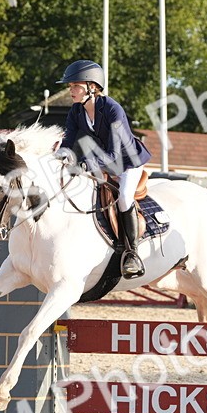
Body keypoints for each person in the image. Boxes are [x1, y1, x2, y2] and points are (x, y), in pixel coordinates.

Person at [56, 59, 152, 279]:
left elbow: (115, 156)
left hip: (128, 162)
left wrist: (85, 164)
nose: (71, 90)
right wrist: (58, 158)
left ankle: (132, 254)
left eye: (75, 86)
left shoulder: (112, 109)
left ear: (92, 86)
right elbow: (68, 143)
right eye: (70, 86)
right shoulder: (76, 111)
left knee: (125, 198)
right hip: (101, 160)